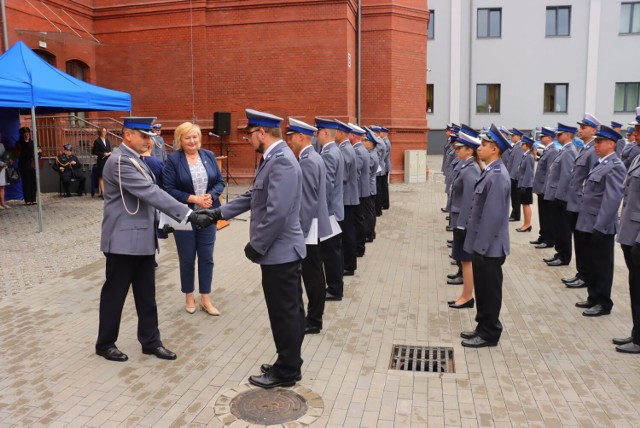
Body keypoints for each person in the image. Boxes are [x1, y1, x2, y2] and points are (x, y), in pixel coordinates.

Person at [96, 117, 216, 363]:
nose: (149, 140)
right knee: (115, 295)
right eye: (144, 136)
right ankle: (105, 343)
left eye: (150, 136)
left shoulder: (136, 160)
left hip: (141, 239)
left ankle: (150, 342)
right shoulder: (120, 161)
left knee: (146, 295)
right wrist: (189, 215)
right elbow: (151, 193)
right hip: (122, 242)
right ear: (128, 135)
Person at [210, 109, 306, 389]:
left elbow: (277, 212)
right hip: (281, 251)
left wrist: (257, 245)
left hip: (280, 252)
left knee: (284, 313)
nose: (248, 139)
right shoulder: (274, 159)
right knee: (289, 312)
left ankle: (287, 371)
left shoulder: (282, 162)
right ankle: (289, 362)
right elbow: (254, 195)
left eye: (250, 134)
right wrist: (219, 213)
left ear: (262, 133)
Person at [163, 122, 225, 316]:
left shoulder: (208, 155)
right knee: (187, 258)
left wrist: (211, 196)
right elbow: (169, 188)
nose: (192, 141)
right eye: (187, 137)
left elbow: (220, 182)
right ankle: (189, 296)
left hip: (208, 215)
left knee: (207, 257)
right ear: (180, 140)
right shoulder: (173, 160)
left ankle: (205, 298)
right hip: (185, 216)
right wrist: (193, 198)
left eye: (195, 136)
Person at [460, 124, 511, 348]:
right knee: (482, 289)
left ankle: (490, 333)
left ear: (495, 150)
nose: (479, 148)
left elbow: (491, 217)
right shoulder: (490, 171)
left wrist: (479, 248)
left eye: (484, 145)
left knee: (490, 292)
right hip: (483, 245)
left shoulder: (498, 176)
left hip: (489, 247)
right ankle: (482, 327)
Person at [284, 117, 332, 335]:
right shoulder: (314, 157)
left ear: (301, 137)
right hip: (313, 224)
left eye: (291, 137)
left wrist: (300, 233)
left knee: (312, 276)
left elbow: (307, 201)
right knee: (315, 273)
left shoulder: (308, 161)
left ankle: (314, 320)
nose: (290, 141)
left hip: (309, 227)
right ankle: (314, 317)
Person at [574, 125, 626, 317]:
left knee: (603, 266)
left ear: (611, 144)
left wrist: (600, 226)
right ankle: (593, 297)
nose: (596, 145)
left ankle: (603, 303)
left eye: (599, 142)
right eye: (595, 141)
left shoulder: (615, 166)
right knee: (592, 262)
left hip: (600, 226)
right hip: (589, 224)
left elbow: (611, 200)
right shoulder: (601, 163)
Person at [563, 114, 600, 284]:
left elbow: (592, 180)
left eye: (584, 127)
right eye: (580, 126)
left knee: (584, 243)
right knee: (578, 241)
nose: (580, 130)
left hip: (581, 204)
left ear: (593, 130)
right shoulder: (585, 148)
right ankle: (581, 273)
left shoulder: (593, 150)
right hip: (574, 203)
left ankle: (585, 275)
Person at [446, 131, 482, 309]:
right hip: (460, 219)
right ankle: (465, 295)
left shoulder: (470, 170)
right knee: (463, 259)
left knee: (466, 260)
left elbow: (469, 200)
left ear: (469, 151)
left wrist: (462, 224)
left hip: (463, 221)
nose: (457, 150)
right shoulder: (465, 166)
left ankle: (467, 297)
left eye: (460, 148)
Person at [615, 106, 640, 353]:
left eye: (638, 129)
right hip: (631, 233)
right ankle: (636, 333)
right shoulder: (637, 156)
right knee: (635, 286)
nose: (634, 133)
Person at [314, 117, 345, 302]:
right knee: (333, 251)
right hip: (335, 209)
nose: (316, 135)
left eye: (318, 132)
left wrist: (320, 213)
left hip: (329, 212)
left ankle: (334, 289)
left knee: (331, 253)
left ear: (325, 133)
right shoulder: (335, 150)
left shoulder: (328, 154)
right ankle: (335, 285)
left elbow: (326, 186)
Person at [543, 123, 579, 270]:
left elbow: (566, 176)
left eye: (560, 134)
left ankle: (564, 256)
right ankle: (559, 253)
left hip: (561, 198)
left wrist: (561, 197)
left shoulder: (569, 151)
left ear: (568, 135)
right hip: (557, 195)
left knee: (563, 228)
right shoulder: (564, 150)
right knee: (558, 226)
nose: (557, 137)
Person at [336, 119, 359, 279]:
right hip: (348, 197)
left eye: (335, 132)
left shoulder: (344, 150)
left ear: (341, 133)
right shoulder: (346, 148)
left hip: (346, 198)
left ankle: (349, 265)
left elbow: (342, 178)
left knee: (347, 233)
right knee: (348, 231)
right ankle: (349, 263)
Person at [530, 126, 560, 248]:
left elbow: (550, 172)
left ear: (549, 138)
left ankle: (548, 239)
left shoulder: (552, 151)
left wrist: (546, 190)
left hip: (545, 189)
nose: (541, 138)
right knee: (543, 215)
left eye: (543, 136)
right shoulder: (548, 150)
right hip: (542, 189)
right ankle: (543, 235)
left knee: (548, 216)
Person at [349, 123, 370, 258]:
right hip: (363, 189)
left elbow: (355, 173)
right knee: (360, 219)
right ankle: (360, 246)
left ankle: (359, 247)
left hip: (359, 191)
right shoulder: (362, 149)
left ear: (354, 136)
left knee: (358, 220)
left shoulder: (357, 151)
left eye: (350, 134)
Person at [515, 136, 536, 232]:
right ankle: (526, 224)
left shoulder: (529, 157)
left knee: (526, 205)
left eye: (522, 144)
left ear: (527, 145)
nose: (521, 146)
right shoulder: (526, 155)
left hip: (526, 185)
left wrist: (524, 185)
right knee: (524, 204)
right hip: (523, 184)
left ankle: (527, 224)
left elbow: (529, 172)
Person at [16, 126, 40, 205]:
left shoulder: (33, 142)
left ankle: (33, 199)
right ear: (22, 135)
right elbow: (20, 154)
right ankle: (27, 199)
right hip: (24, 165)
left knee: (33, 182)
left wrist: (38, 154)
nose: (27, 135)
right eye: (25, 134)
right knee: (26, 182)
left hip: (33, 164)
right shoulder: (19, 144)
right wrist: (31, 154)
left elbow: (39, 150)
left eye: (28, 134)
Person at [363, 128, 379, 241]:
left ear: (371, 143)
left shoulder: (370, 156)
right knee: (370, 211)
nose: (364, 142)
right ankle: (370, 232)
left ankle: (369, 234)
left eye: (365, 141)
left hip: (368, 188)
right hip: (371, 187)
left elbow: (366, 174)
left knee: (369, 213)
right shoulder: (372, 153)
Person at [507, 128, 524, 221]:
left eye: (513, 136)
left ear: (518, 137)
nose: (511, 137)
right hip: (513, 176)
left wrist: (512, 177)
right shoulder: (516, 146)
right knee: (514, 197)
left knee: (515, 197)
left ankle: (516, 215)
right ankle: (514, 214)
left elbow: (517, 164)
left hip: (515, 177)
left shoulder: (519, 147)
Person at [92, 127, 112, 197]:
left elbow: (109, 149)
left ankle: (107, 191)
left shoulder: (107, 140)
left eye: (105, 131)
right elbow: (94, 151)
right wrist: (103, 154)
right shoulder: (97, 141)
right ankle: (103, 193)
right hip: (101, 160)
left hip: (108, 160)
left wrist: (110, 153)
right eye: (103, 131)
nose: (105, 132)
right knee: (101, 176)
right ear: (100, 132)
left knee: (107, 176)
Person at [0, 133, 9, 209]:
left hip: (2, 168)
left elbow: (5, 155)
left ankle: (3, 203)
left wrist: (8, 160)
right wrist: (1, 163)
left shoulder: (2, 145)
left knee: (2, 186)